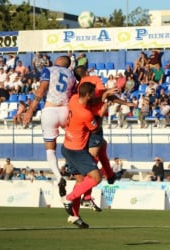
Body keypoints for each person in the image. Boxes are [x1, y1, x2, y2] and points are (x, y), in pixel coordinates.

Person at [22, 55, 75, 184]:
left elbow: (41, 90)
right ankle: (72, 167)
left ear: (60, 60)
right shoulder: (71, 75)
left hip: (50, 110)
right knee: (73, 141)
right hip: (65, 110)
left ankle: (58, 177)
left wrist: (30, 110)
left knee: (50, 149)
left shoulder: (49, 70)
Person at [61, 82, 102, 229]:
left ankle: (74, 216)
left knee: (80, 183)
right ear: (88, 95)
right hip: (77, 150)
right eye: (93, 93)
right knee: (96, 177)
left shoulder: (73, 99)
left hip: (66, 146)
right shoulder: (86, 114)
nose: (94, 95)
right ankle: (68, 198)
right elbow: (95, 129)